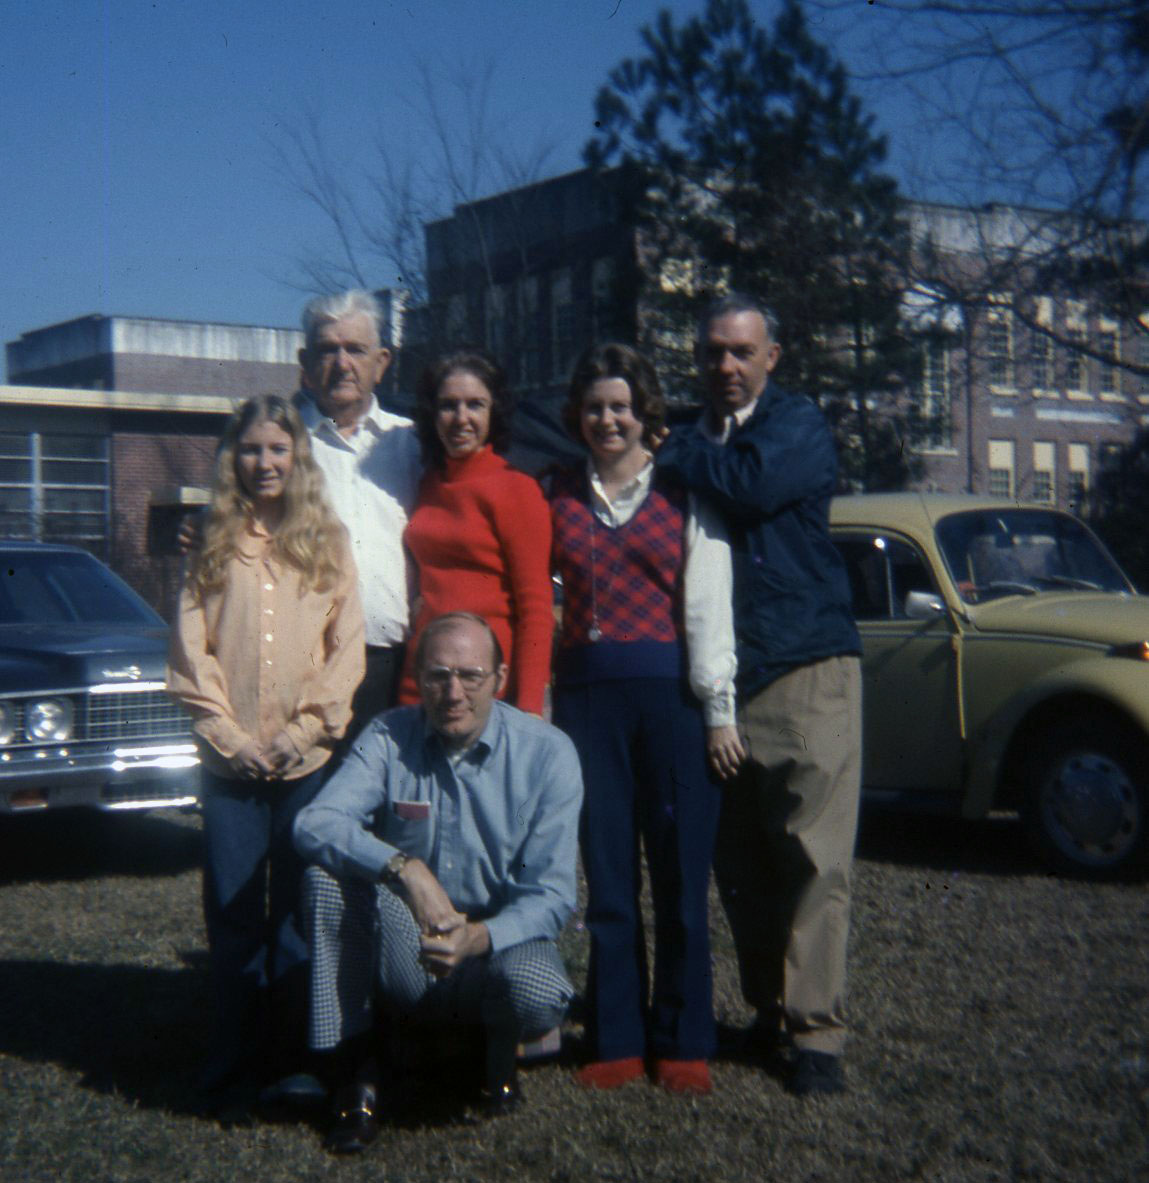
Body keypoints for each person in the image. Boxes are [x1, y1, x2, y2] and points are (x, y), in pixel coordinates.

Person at [655, 293, 863, 1097]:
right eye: (712, 351)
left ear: (771, 356)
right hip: (720, 684)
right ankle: (768, 1008)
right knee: (739, 862)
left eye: (742, 351)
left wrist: (666, 449)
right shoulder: (690, 430)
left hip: (807, 668)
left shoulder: (797, 426)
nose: (726, 366)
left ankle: (816, 1034)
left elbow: (749, 483)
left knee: (813, 858)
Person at [293, 612, 583, 1154]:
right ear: (418, 677)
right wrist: (407, 869)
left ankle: (485, 1053)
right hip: (414, 937)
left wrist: (478, 937)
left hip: (498, 942)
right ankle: (355, 1076)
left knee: (539, 995)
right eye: (437, 675)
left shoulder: (548, 754)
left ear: (499, 679)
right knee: (325, 880)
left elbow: (550, 894)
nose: (453, 692)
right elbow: (316, 822)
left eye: (470, 675)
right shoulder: (388, 736)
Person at [549, 343, 741, 1096]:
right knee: (608, 874)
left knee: (679, 873)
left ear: (645, 414)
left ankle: (684, 1035)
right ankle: (616, 1034)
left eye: (621, 406)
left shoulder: (683, 488)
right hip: (586, 702)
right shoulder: (555, 492)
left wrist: (718, 710)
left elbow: (709, 603)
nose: (608, 418)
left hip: (672, 700)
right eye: (595, 406)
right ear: (579, 415)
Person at [167, 395, 365, 1112]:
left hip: (306, 764)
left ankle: (297, 1060)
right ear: (233, 458)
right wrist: (233, 739)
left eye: (278, 449)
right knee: (234, 910)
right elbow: (192, 658)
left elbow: (344, 653)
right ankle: (232, 1065)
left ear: (297, 458)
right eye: (251, 450)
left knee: (300, 911)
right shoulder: (211, 540)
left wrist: (298, 733)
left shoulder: (327, 541)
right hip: (232, 769)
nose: (265, 462)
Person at [396, 350, 553, 715]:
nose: (460, 418)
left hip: (484, 689)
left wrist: (529, 709)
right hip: (422, 678)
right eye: (448, 405)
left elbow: (536, 609)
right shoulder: (427, 484)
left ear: (492, 412)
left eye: (475, 405)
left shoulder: (516, 489)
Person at [294, 290, 422, 727]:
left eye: (355, 349)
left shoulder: (413, 443)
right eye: (328, 350)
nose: (342, 363)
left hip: (396, 664)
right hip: (307, 663)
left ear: (382, 362)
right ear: (305, 364)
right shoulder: (280, 448)